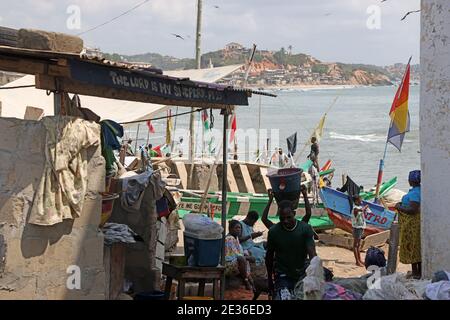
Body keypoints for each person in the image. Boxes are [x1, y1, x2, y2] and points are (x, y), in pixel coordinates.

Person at [266, 201, 317, 300]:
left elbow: (312, 253)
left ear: (294, 214)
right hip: (282, 273)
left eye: (288, 217)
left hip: (302, 271)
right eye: (282, 218)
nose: (285, 221)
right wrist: (269, 279)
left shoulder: (305, 229)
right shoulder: (274, 231)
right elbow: (269, 256)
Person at [395, 170, 422, 279]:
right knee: (416, 247)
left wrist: (399, 207)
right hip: (414, 224)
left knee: (412, 246)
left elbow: (413, 209)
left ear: (411, 181)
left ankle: (416, 273)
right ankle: (417, 271)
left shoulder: (415, 193)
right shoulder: (419, 190)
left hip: (412, 225)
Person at [225, 220, 255, 290]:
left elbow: (240, 252)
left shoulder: (236, 238)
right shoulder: (229, 239)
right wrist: (248, 258)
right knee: (242, 259)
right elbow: (235, 256)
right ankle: (246, 281)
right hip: (227, 264)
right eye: (237, 228)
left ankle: (250, 281)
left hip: (233, 262)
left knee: (246, 254)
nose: (239, 230)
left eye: (240, 228)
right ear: (230, 229)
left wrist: (247, 256)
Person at [351, 195, 368, 267]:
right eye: (360, 200)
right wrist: (365, 208)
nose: (361, 201)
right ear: (355, 201)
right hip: (357, 228)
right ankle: (357, 261)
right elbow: (359, 210)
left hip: (360, 227)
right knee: (355, 245)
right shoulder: (355, 208)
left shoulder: (359, 207)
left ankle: (360, 260)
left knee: (358, 245)